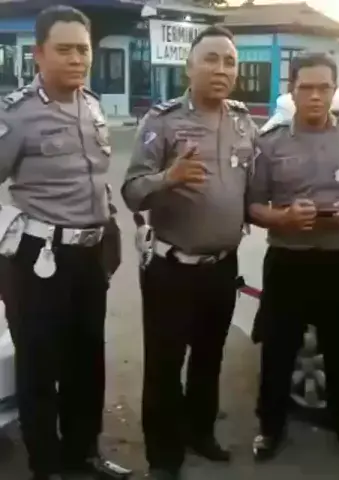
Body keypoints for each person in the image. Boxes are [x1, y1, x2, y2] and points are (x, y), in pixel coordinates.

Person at [248, 52, 339, 479]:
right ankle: (270, 429)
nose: (315, 96)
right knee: (278, 351)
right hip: (287, 261)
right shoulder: (270, 142)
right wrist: (284, 218)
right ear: (291, 90)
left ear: (335, 89)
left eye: (323, 87)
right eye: (306, 88)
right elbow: (252, 205)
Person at [0, 6, 130, 480]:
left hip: (88, 256)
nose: (77, 59)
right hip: (39, 259)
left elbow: (94, 179)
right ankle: (46, 465)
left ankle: (83, 453)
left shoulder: (91, 104)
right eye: (65, 50)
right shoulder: (16, 114)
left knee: (86, 361)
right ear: (38, 54)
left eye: (83, 49)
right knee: (40, 367)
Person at [121, 25, 257, 480]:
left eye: (229, 62)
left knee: (208, 357)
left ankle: (200, 432)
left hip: (221, 267)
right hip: (171, 266)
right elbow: (131, 191)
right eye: (211, 59)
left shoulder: (243, 122)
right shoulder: (162, 121)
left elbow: (252, 187)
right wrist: (169, 179)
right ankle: (163, 457)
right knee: (165, 364)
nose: (221, 69)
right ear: (189, 67)